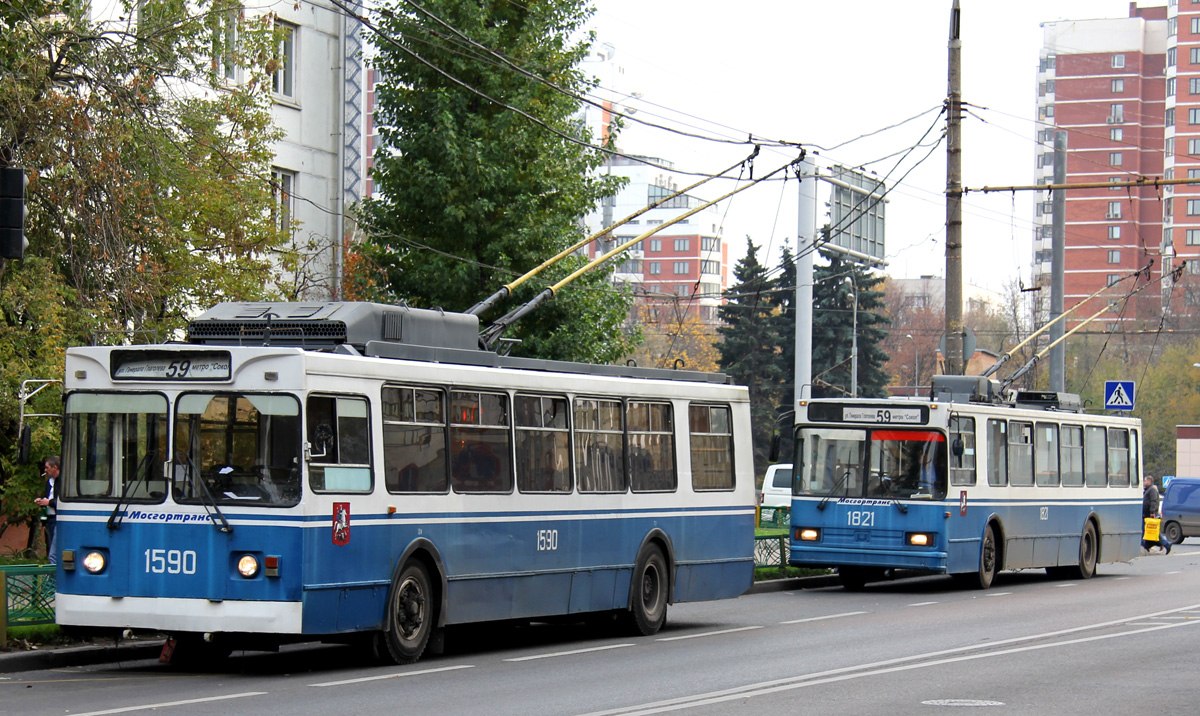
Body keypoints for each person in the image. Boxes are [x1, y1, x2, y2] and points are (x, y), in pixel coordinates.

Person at [33, 456, 60, 565]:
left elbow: (63, 502)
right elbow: (47, 497)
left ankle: (53, 580)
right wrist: (41, 501)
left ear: (55, 467)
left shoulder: (63, 482)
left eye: (47, 467)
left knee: (53, 554)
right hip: (49, 520)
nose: (45, 470)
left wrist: (48, 502)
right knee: (51, 550)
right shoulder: (49, 482)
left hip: (59, 519)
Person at [1141, 475, 1171, 555]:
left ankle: (1166, 544)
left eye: (1145, 481)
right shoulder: (1147, 490)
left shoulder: (1152, 490)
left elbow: (1153, 501)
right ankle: (1146, 546)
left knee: (1152, 532)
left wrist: (1152, 512)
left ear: (1149, 481)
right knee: (1148, 532)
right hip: (1146, 515)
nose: (1144, 482)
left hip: (1149, 515)